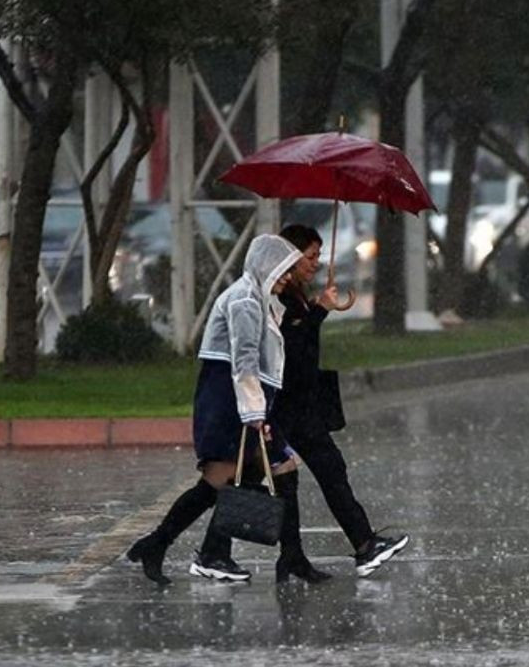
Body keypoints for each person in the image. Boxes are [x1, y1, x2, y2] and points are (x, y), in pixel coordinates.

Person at [126, 234, 304, 586]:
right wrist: (255, 415)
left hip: (241, 400)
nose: (288, 277)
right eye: (284, 270)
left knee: (250, 475)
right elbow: (244, 361)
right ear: (266, 266)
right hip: (229, 402)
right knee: (220, 481)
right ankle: (171, 546)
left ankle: (207, 552)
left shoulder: (260, 299)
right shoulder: (245, 301)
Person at [276, 223, 408, 578]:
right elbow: (292, 349)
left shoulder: (295, 294)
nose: (316, 263)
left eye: (319, 255)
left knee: (309, 476)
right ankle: (361, 545)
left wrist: (319, 308)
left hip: (299, 403)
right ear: (289, 256)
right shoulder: (281, 296)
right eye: (310, 256)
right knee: (240, 480)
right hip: (288, 405)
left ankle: (299, 556)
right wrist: (318, 311)